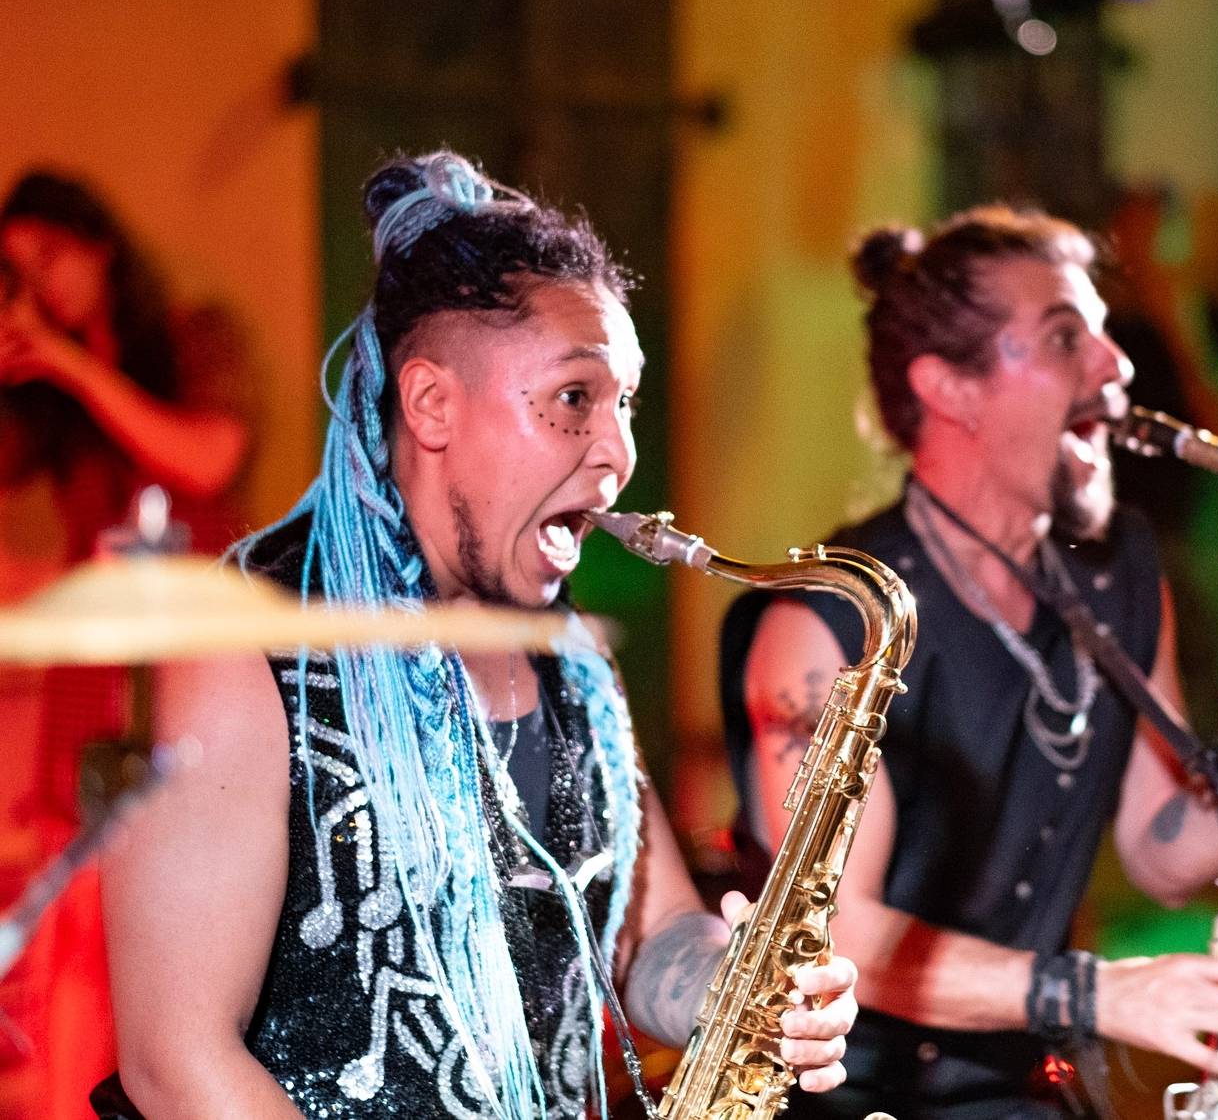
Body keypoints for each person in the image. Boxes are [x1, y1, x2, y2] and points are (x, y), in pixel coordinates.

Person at [91, 152, 857, 1119]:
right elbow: (175, 1060)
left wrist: (739, 986)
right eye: (574, 399)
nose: (619, 452)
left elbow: (648, 927)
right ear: (431, 405)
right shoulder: (243, 643)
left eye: (623, 402)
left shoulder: (570, 650)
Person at [721, 204, 1218, 1119]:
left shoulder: (1120, 568)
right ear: (950, 386)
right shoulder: (828, 618)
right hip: (852, 1097)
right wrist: (1096, 992)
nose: (1117, 365)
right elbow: (835, 928)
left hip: (1027, 1090)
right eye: (1067, 337)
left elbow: (1159, 851)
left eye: (1102, 331)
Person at [0, 171, 250, 1120]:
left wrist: (74, 368)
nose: (40, 284)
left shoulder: (191, 339)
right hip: (92, 690)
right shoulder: (50, 394)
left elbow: (208, 457)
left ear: (100, 243)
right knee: (73, 939)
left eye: (50, 256)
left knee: (183, 948)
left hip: (192, 684)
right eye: (17, 270)